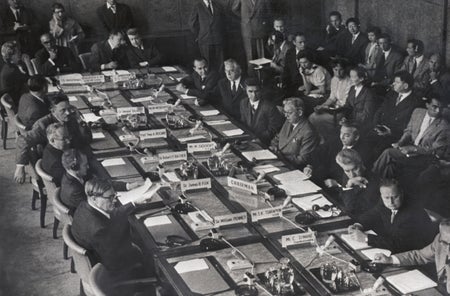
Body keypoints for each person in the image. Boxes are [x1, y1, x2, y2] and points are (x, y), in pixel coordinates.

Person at [71, 178, 153, 285]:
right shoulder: (99, 229)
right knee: (151, 252)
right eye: (110, 197)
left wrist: (134, 203)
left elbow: (110, 215)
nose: (114, 200)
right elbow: (114, 263)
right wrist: (137, 245)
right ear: (95, 198)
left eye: (115, 195)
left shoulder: (84, 206)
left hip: (100, 255)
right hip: (111, 273)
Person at [14, 95, 92, 184]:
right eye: (63, 110)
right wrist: (20, 167)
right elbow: (22, 140)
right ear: (53, 110)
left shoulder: (71, 119)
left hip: (75, 155)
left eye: (69, 108)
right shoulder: (43, 125)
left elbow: (87, 140)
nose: (67, 113)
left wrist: (80, 121)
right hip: (58, 163)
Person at [347, 178, 437, 253]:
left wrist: (366, 238)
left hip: (415, 255)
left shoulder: (412, 213)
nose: (391, 202)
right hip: (395, 249)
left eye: (395, 197)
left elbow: (398, 243)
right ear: (381, 196)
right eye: (386, 198)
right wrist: (358, 225)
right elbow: (374, 213)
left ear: (401, 193)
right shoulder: (385, 200)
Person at [373, 94, 449, 179]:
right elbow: (408, 131)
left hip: (424, 157)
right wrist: (400, 142)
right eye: (434, 107)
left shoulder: (444, 127)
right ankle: (383, 185)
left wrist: (413, 149)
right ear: (427, 105)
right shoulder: (417, 112)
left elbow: (436, 150)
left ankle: (372, 178)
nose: (438, 110)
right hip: (408, 150)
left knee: (388, 153)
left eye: (441, 108)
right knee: (389, 167)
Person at [373, 219, 450, 294]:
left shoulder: (446, 239)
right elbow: (420, 256)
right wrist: (389, 259)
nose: (447, 248)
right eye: (445, 242)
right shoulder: (440, 240)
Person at [60, 149, 133, 212]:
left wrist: (128, 186)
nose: (88, 167)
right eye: (85, 165)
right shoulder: (73, 190)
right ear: (75, 167)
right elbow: (96, 209)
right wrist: (132, 204)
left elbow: (102, 184)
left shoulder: (80, 175)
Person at [371, 70, 423, 156]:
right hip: (379, 130)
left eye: (397, 82)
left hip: (395, 136)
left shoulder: (416, 102)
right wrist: (376, 125)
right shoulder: (391, 94)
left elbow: (410, 127)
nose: (393, 84)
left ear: (405, 85)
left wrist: (391, 132)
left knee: (376, 151)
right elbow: (380, 110)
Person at [324, 149, 379, 217]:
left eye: (355, 169)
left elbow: (353, 210)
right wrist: (349, 186)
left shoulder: (373, 180)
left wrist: (349, 186)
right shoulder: (347, 174)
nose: (352, 175)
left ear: (361, 163)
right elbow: (343, 198)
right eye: (347, 171)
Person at [309, 59, 353, 142]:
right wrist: (322, 106)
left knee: (314, 118)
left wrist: (327, 109)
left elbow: (345, 103)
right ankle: (321, 137)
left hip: (343, 111)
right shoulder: (334, 80)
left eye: (341, 70)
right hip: (334, 108)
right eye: (335, 70)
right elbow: (332, 98)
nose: (338, 73)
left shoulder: (350, 82)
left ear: (345, 69)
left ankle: (324, 139)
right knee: (313, 115)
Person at [270, 97, 320, 170]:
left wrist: (281, 156)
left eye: (289, 113)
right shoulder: (289, 121)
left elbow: (302, 159)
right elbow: (277, 138)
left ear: (300, 113)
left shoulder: (308, 132)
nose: (286, 116)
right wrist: (273, 146)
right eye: (285, 112)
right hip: (278, 161)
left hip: (291, 167)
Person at [239, 78, 284, 145]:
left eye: (256, 91)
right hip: (247, 139)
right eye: (250, 91)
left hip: (263, 142)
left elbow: (273, 129)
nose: (254, 95)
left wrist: (258, 139)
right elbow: (243, 122)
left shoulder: (269, 107)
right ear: (245, 91)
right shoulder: (243, 103)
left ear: (261, 91)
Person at [188, 0, 225, 72]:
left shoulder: (218, 5)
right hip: (205, 40)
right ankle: (208, 82)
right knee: (207, 65)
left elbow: (223, 21)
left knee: (220, 64)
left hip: (218, 39)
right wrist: (200, 34)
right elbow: (192, 24)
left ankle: (219, 82)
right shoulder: (197, 6)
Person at [232, 0, 272, 64]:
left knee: (261, 56)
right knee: (250, 57)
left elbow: (269, 13)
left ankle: (261, 73)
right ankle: (251, 73)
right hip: (248, 31)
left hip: (260, 30)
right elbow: (234, 9)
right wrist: (245, 17)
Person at [0, 41, 29, 110]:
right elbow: (32, 82)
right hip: (19, 105)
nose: (20, 54)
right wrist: (28, 63)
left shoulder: (12, 66)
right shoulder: (11, 71)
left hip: (21, 99)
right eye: (17, 52)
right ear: (10, 56)